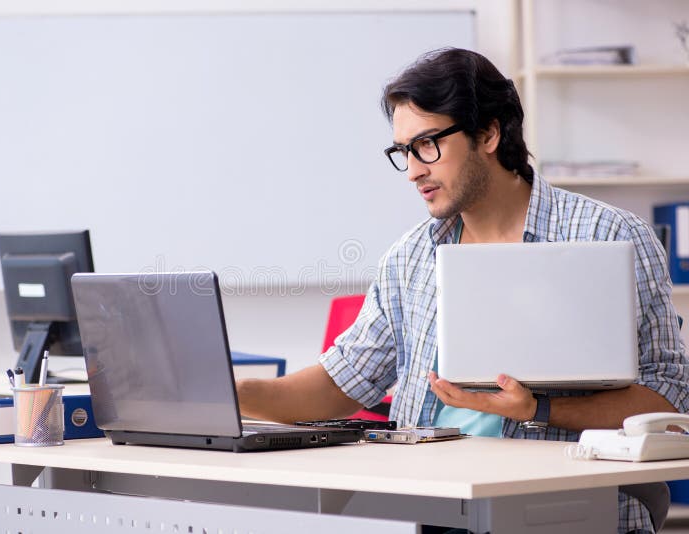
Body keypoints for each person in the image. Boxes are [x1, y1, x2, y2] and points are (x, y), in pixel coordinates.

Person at [236, 48, 688, 533]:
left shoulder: (608, 236)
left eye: (427, 144)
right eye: (403, 152)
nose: (414, 170)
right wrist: (229, 394)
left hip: (565, 515)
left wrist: (540, 409)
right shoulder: (410, 257)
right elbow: (339, 385)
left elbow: (669, 404)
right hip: (434, 512)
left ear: (489, 134)